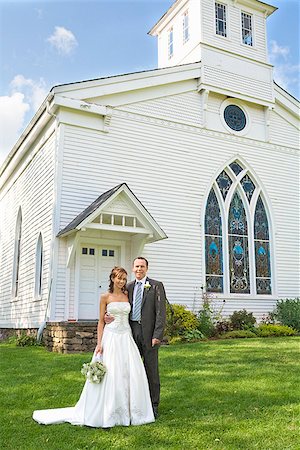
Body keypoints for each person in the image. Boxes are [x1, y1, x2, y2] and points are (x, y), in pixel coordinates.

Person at [33, 266, 155, 428]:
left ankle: (132, 411)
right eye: (119, 278)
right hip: (110, 337)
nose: (122, 281)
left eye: (124, 279)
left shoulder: (128, 295)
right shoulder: (105, 297)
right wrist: (99, 343)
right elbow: (100, 321)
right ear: (112, 278)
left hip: (126, 337)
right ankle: (109, 411)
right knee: (112, 373)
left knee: (130, 373)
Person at [105, 257, 167, 419]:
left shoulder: (156, 286)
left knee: (151, 370)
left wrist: (157, 335)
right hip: (130, 332)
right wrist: (107, 315)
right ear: (133, 268)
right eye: (137, 266)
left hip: (149, 334)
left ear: (147, 268)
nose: (139, 269)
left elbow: (161, 313)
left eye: (142, 266)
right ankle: (133, 403)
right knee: (131, 370)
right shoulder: (129, 287)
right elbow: (119, 304)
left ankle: (153, 405)